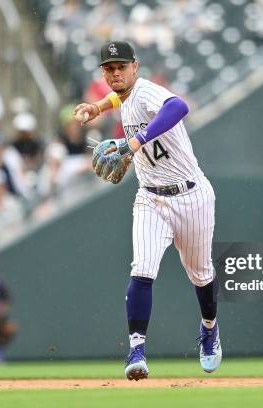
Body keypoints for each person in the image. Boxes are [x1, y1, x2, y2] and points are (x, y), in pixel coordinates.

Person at [74, 41, 220, 380]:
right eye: (109, 68)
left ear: (135, 67)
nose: (115, 73)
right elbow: (120, 98)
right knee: (142, 269)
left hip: (191, 196)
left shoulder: (147, 91)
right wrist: (98, 107)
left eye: (121, 66)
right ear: (103, 73)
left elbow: (178, 107)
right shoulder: (124, 96)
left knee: (201, 274)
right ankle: (136, 350)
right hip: (150, 198)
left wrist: (134, 142)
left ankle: (210, 328)